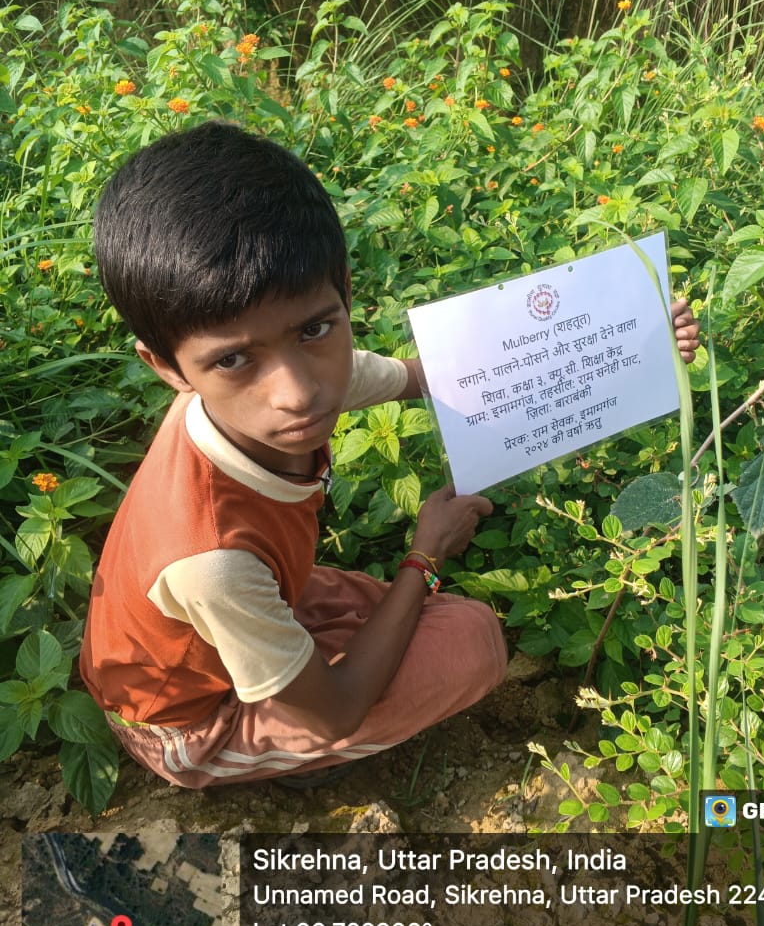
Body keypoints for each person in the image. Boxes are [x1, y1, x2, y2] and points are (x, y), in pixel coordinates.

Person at [80, 120, 699, 789]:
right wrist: (425, 555)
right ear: (167, 367)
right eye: (233, 359)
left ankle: (298, 679)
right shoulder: (213, 564)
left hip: (246, 611)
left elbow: (424, 373)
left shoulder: (277, 391)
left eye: (316, 328)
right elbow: (336, 709)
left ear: (344, 291)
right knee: (471, 643)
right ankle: (282, 759)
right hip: (185, 720)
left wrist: (631, 332)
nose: (298, 393)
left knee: (437, 625)